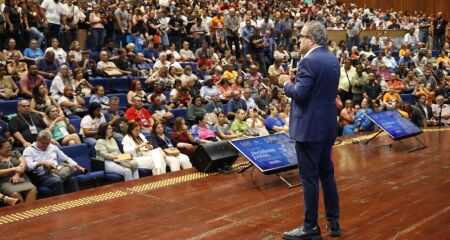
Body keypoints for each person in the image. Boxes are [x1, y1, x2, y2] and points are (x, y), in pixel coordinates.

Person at [279, 21, 341, 239]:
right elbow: (318, 90)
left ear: (312, 39)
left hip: (308, 129)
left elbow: (301, 95)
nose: (299, 40)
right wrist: (299, 80)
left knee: (309, 179)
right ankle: (333, 223)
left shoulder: (308, 62)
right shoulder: (333, 59)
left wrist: (286, 83)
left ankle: (310, 226)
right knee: (327, 174)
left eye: (302, 37)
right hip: (326, 127)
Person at [23, 130, 86, 196]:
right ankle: (60, 203)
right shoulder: (29, 150)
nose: (45, 146)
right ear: (37, 140)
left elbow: (65, 158)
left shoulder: (52, 147)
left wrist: (79, 167)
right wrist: (41, 163)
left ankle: (77, 200)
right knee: (57, 181)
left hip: (57, 171)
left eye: (47, 143)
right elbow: (28, 167)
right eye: (43, 143)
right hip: (41, 176)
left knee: (72, 179)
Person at [0, 138, 37, 204]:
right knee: (15, 194)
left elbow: (23, 164)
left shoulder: (15, 152)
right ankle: (21, 213)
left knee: (33, 190)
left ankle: (29, 212)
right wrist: (14, 169)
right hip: (5, 181)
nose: (10, 148)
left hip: (22, 178)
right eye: (7, 147)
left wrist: (17, 175)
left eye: (10, 146)